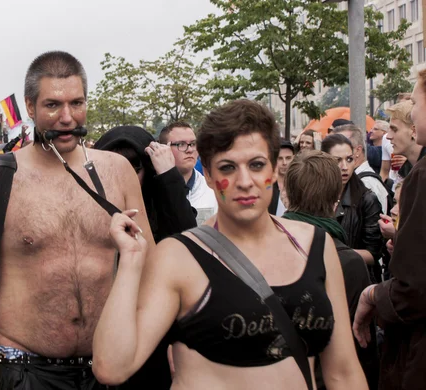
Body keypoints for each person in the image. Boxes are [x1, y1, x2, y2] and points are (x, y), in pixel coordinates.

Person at [93, 100, 368, 389]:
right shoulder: (179, 257)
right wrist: (131, 260)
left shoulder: (315, 245)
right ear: (209, 176)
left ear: (274, 170)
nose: (245, 181)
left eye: (256, 164)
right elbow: (112, 367)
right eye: (228, 168)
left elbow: (344, 372)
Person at [0, 51, 153, 390]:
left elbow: (150, 268)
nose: (67, 117)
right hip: (23, 367)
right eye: (53, 105)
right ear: (30, 106)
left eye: (77, 103)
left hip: (107, 365)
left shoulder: (118, 171)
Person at [94, 125, 198, 389]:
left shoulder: (160, 204)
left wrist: (168, 175)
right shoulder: (88, 203)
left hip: (151, 342)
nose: (123, 175)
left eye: (133, 166)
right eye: (113, 164)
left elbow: (189, 240)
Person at [282, 150, 379, 389]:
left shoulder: (262, 248)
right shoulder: (347, 261)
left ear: (287, 194)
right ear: (337, 198)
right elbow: (361, 346)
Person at [354, 74, 426, 390]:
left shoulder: (420, 177)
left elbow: (415, 289)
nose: (388, 137)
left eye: (418, 102)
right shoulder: (414, 174)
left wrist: (374, 294)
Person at [321, 134, 382, 284]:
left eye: (349, 159)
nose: (344, 167)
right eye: (337, 160)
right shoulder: (315, 197)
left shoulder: (367, 199)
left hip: (355, 281)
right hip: (322, 280)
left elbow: (374, 254)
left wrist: (333, 254)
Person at [159, 122, 218, 225]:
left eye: (193, 144)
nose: (190, 150)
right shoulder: (151, 192)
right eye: (181, 144)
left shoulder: (212, 190)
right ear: (163, 149)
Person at [332, 125, 390, 215]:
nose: (335, 150)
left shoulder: (367, 183)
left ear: (358, 150)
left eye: (341, 144)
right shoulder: (352, 178)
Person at [385, 100, 426, 180]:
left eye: (394, 129)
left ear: (414, 131)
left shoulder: (422, 172)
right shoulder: (412, 171)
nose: (388, 136)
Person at [268, 139, 294, 216]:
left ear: (294, 158)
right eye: (280, 158)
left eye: (288, 158)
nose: (284, 163)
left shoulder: (299, 184)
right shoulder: (268, 185)